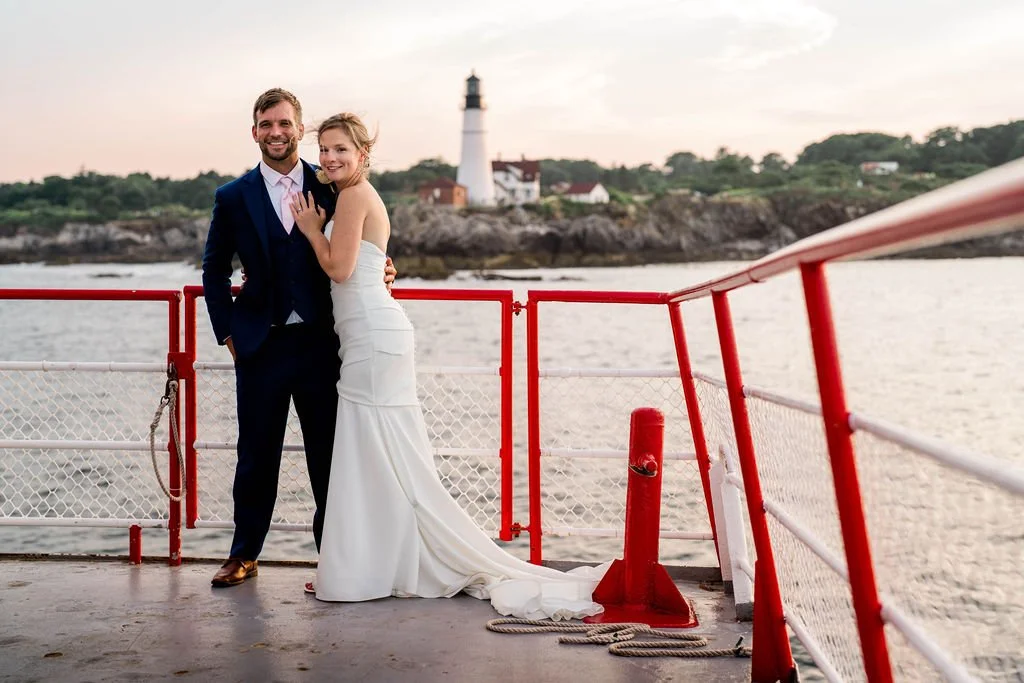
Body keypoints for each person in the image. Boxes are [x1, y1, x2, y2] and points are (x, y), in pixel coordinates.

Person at [289, 112, 605, 619]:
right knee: (383, 457)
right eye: (324, 149)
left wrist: (310, 229)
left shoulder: (352, 196)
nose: (329, 158)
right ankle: (379, 564)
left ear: (362, 155)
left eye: (340, 149)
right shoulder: (357, 196)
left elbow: (340, 268)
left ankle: (371, 566)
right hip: (371, 333)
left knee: (373, 450)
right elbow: (365, 266)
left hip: (372, 336)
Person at [202, 89, 397, 588]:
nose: (276, 132)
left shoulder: (331, 182)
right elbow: (213, 269)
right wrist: (227, 331)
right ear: (255, 132)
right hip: (260, 345)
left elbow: (360, 242)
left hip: (320, 344)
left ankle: (332, 557)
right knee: (256, 455)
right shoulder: (232, 196)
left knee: (328, 455)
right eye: (266, 124)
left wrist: (384, 269)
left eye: (285, 123)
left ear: (298, 127)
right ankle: (243, 554)